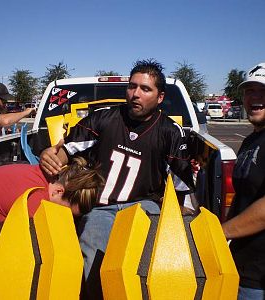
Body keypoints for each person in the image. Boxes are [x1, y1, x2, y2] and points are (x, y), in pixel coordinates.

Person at [40, 59, 194, 299]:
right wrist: (48, 154)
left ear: (160, 97)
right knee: (92, 260)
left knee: (138, 267)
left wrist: (179, 217)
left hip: (143, 205)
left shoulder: (170, 131)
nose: (136, 94)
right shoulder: (104, 118)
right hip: (102, 206)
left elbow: (181, 185)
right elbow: (64, 152)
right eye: (132, 86)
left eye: (145, 89)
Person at [0, 157, 105, 251]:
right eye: (66, 212)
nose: (66, 218)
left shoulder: (43, 176)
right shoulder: (33, 201)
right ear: (58, 191)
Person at [222, 62, 265, 300]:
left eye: (263, 91)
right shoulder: (250, 141)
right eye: (250, 91)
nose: (255, 97)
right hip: (241, 266)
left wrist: (221, 232)